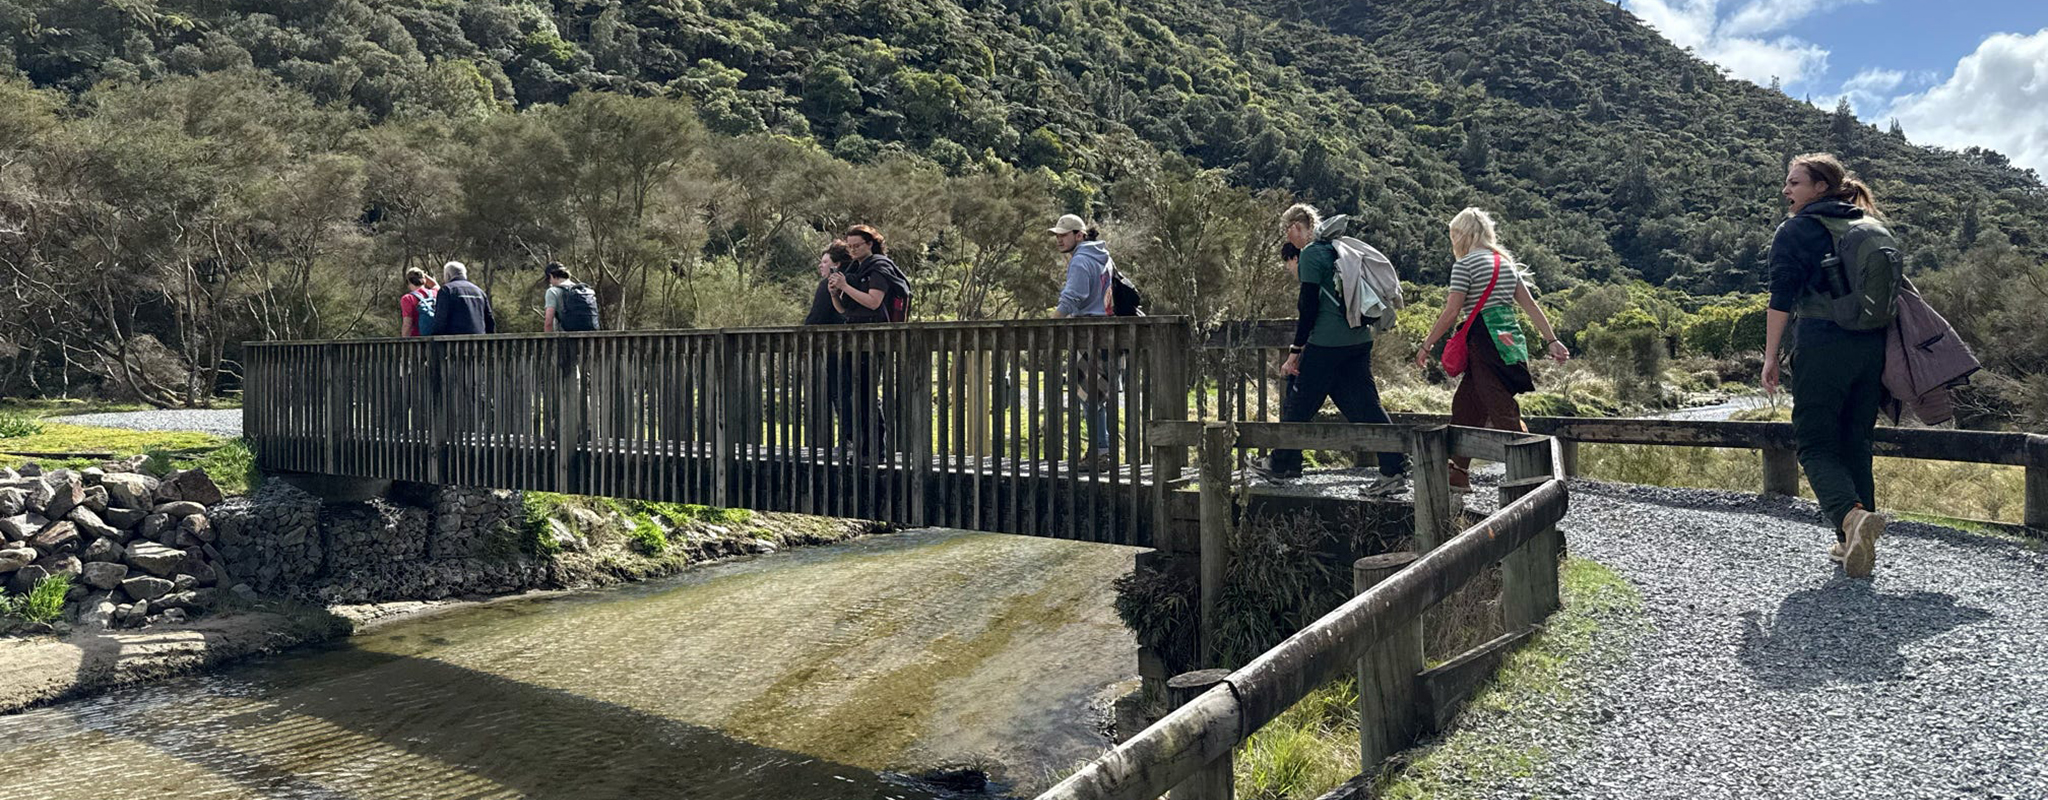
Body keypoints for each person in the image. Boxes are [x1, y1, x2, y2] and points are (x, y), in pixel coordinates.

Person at [1762, 153, 1889, 578]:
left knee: (1814, 442)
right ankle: (1849, 542)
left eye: (1794, 183)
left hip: (1822, 341)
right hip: (1870, 346)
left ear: (1820, 188)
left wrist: (1770, 358)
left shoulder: (1798, 230)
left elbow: (1781, 298)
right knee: (1856, 441)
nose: (1786, 190)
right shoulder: (1867, 225)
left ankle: (1851, 519)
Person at [1413, 208, 1570, 493]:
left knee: (1501, 409)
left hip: (1483, 339)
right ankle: (1457, 473)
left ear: (1462, 235)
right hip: (1509, 338)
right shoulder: (1505, 263)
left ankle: (1534, 477)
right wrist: (1551, 340)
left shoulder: (1465, 265)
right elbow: (1530, 306)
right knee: (1466, 406)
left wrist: (1427, 344)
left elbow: (1452, 312)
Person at [1261, 204, 1407, 487]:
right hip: (1360, 339)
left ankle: (1278, 465)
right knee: (1366, 405)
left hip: (1327, 343)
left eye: (1287, 231)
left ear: (1296, 227)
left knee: (1300, 402)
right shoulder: (1338, 247)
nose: (1288, 237)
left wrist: (1295, 351)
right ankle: (1394, 467)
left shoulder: (1312, 254)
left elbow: (1308, 307)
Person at [829, 226, 909, 456]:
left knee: (868, 393)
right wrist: (835, 293)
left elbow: (873, 302)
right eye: (850, 246)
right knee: (856, 392)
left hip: (874, 339)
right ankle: (865, 445)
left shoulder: (879, 267)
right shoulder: (855, 268)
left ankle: (876, 446)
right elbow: (844, 309)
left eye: (857, 246)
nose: (853, 250)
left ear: (870, 244)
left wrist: (845, 286)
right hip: (855, 336)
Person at [1050, 213, 1118, 471]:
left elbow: (1071, 299)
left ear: (1079, 235)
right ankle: (1101, 449)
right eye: (1057, 235)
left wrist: (1051, 323)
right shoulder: (1104, 257)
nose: (1059, 240)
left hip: (1088, 333)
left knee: (1089, 396)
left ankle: (1100, 452)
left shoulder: (1080, 261)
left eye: (1063, 235)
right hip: (1107, 331)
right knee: (1100, 395)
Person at [808, 242, 851, 453]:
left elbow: (817, 316)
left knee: (841, 393)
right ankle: (855, 440)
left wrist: (803, 335)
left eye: (825, 262)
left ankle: (848, 440)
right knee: (853, 393)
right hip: (851, 347)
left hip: (837, 348)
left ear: (837, 265)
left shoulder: (829, 285)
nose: (821, 266)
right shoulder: (852, 282)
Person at [434, 261, 497, 335]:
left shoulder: (447, 290)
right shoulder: (479, 291)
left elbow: (440, 319)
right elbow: (489, 320)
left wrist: (435, 340)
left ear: (448, 275)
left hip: (454, 343)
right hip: (479, 342)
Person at [543, 262, 601, 332]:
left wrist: (548, 340)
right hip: (589, 338)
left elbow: (549, 322)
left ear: (551, 275)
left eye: (549, 279)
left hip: (566, 338)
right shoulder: (583, 290)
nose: (550, 282)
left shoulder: (552, 291)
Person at [399, 268, 438, 337]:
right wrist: (423, 275)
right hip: (435, 338)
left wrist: (404, 342)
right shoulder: (435, 293)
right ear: (424, 280)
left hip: (417, 341)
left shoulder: (407, 298)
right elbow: (435, 284)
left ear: (408, 282)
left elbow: (407, 324)